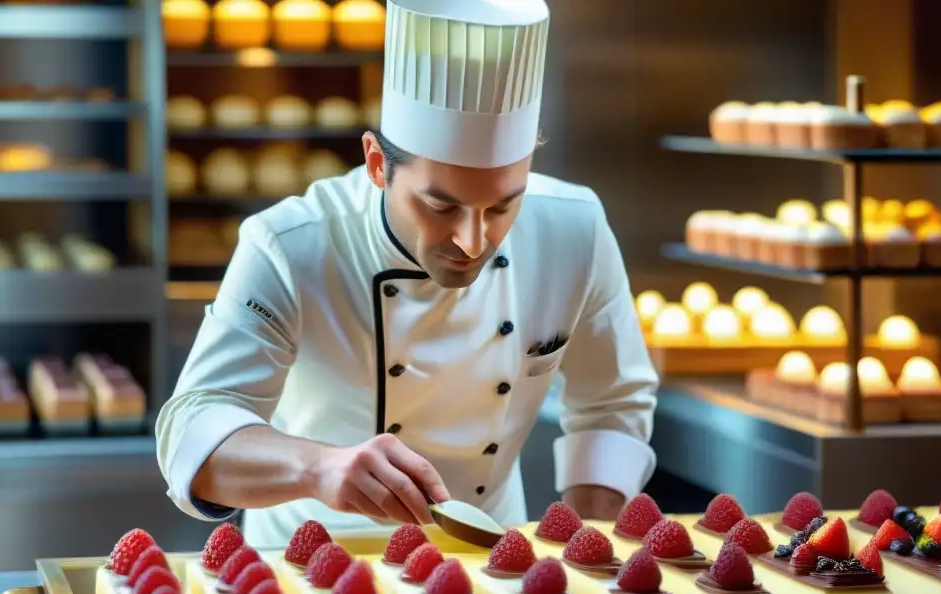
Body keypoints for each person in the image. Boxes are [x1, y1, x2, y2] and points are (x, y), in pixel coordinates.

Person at [155, 0, 660, 549]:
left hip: (486, 559)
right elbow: (193, 431)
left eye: (501, 208)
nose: (473, 242)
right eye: (440, 207)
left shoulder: (573, 229)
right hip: (310, 567)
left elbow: (611, 404)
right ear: (376, 163)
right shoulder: (292, 243)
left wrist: (580, 554)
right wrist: (318, 468)